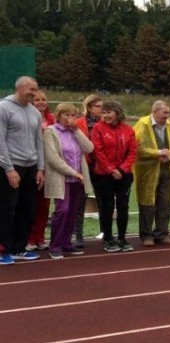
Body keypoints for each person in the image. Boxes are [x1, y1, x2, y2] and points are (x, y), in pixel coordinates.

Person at [0, 76, 46, 264]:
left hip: (31, 167)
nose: (34, 93)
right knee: (6, 208)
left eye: (36, 90)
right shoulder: (3, 108)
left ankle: (19, 247)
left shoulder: (34, 112)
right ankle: (3, 249)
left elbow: (38, 142)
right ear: (19, 88)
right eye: (31, 89)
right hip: (10, 166)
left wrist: (40, 167)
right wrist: (9, 168)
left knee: (27, 208)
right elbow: (0, 140)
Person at [42, 103, 92, 259]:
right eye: (66, 115)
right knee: (62, 210)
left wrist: (76, 130)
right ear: (58, 116)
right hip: (62, 178)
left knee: (72, 211)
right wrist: (74, 173)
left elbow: (89, 148)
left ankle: (66, 243)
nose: (70, 119)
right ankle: (55, 245)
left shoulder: (75, 132)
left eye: (73, 115)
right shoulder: (51, 132)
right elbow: (53, 159)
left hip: (78, 179)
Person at [90, 100, 136, 252]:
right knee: (107, 206)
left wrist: (122, 170)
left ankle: (122, 238)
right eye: (103, 112)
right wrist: (111, 170)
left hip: (124, 175)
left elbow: (132, 152)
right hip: (104, 175)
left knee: (123, 206)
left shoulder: (128, 130)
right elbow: (98, 151)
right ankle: (108, 238)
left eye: (109, 112)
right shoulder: (98, 128)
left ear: (117, 112)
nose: (106, 115)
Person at [133, 100, 170, 247]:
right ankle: (146, 235)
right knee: (148, 203)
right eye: (165, 112)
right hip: (148, 171)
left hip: (166, 169)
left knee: (165, 202)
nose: (167, 116)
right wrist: (157, 153)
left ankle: (162, 233)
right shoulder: (143, 125)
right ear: (155, 111)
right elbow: (137, 147)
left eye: (168, 112)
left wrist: (168, 155)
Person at [72, 94, 103, 248]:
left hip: (102, 166)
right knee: (80, 201)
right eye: (98, 106)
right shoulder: (79, 123)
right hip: (83, 165)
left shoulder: (105, 123)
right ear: (89, 107)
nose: (101, 109)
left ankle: (106, 232)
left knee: (103, 199)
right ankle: (78, 235)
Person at [26, 89, 55, 251]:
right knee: (30, 204)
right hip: (32, 167)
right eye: (37, 100)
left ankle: (40, 237)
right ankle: (29, 238)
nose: (41, 102)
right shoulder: (28, 119)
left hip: (49, 168)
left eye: (43, 99)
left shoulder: (52, 120)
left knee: (44, 205)